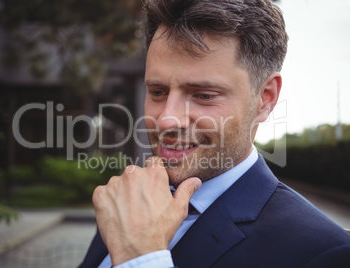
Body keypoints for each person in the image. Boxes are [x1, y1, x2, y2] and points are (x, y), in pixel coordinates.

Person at [79, 0, 350, 267]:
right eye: (158, 92)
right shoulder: (129, 201)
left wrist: (140, 258)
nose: (166, 120)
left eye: (204, 95)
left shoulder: (323, 253)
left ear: (265, 99)